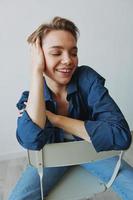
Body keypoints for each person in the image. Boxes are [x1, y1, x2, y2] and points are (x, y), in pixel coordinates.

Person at [9, 16, 132, 200]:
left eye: (73, 52)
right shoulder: (31, 98)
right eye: (56, 53)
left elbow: (122, 136)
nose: (68, 60)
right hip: (52, 159)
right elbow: (31, 141)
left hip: (92, 151)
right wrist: (36, 72)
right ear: (40, 57)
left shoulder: (87, 79)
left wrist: (56, 119)